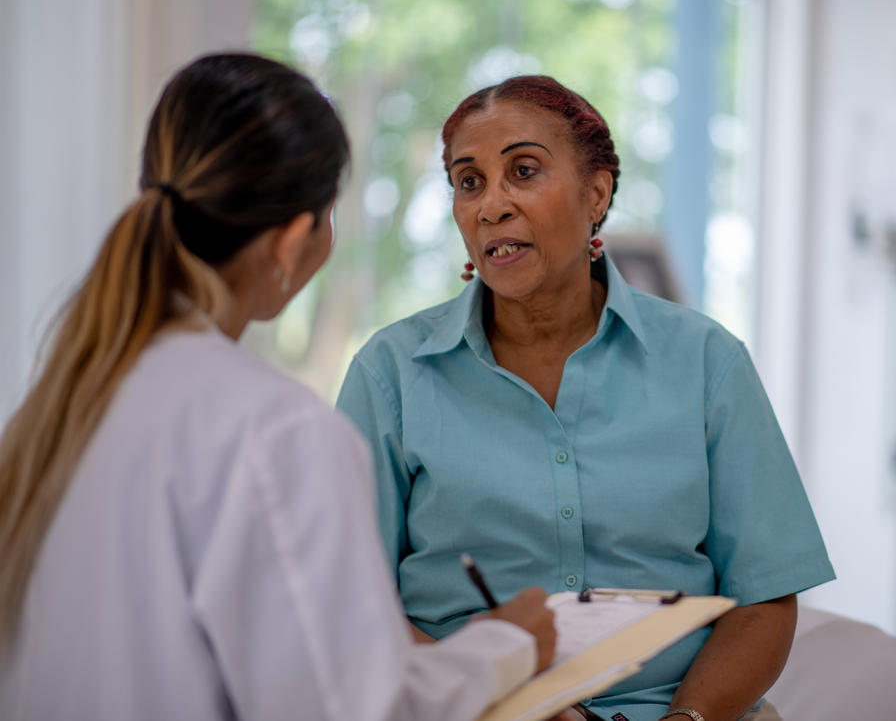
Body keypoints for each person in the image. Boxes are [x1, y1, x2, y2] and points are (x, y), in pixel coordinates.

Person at [0, 53, 558, 721]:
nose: (493, 206)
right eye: (469, 181)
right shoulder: (273, 430)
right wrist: (504, 648)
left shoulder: (62, 407)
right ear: (295, 240)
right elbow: (354, 710)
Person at [336, 75, 837, 721]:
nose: (492, 206)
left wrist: (688, 720)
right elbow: (351, 603)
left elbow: (764, 599)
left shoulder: (707, 361)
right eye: (470, 182)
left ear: (596, 193)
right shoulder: (392, 373)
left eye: (523, 171)